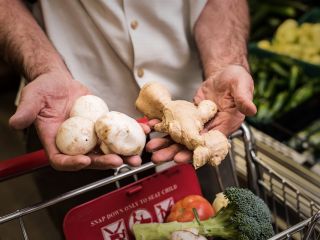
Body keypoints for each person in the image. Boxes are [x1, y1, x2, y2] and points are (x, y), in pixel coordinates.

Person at [0, 0, 256, 238]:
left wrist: (224, 65)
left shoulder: (201, 130)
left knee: (227, 225)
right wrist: (43, 68)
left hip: (202, 119)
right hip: (72, 124)